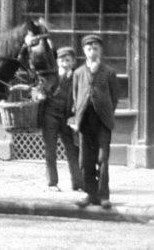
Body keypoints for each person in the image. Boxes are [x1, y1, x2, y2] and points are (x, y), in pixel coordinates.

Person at [69, 33, 119, 209]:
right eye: (89, 48)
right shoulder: (78, 73)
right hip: (85, 121)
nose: (92, 51)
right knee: (85, 159)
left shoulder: (109, 72)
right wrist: (79, 114)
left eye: (95, 48)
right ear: (84, 51)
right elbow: (75, 95)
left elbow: (115, 97)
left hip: (103, 121)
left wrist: (106, 112)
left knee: (102, 158)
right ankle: (90, 194)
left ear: (101, 50)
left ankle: (104, 195)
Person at [41, 46, 81, 192]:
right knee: (50, 150)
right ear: (57, 62)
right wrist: (36, 95)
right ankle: (52, 183)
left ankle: (78, 183)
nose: (65, 62)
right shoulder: (51, 77)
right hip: (50, 116)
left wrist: (76, 115)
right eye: (62, 59)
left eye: (68, 59)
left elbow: (81, 97)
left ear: (73, 62)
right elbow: (35, 93)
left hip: (67, 118)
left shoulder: (77, 77)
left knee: (72, 150)